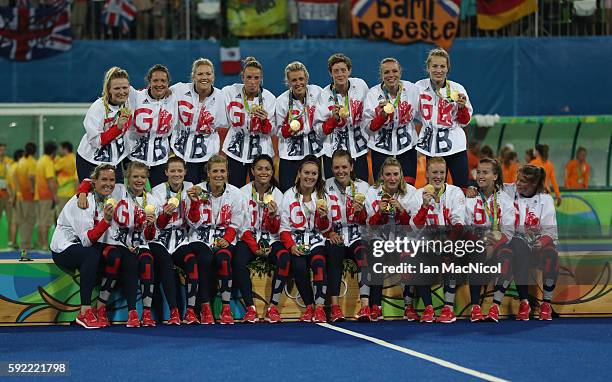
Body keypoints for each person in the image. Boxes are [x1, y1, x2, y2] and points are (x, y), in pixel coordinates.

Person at [76, 162, 160, 327]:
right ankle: (107, 308)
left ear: (147, 179)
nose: (139, 180)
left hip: (138, 244)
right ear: (128, 177)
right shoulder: (118, 190)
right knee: (121, 258)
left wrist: (151, 225)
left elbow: (150, 236)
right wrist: (82, 193)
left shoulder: (151, 200)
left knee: (145, 262)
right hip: (114, 241)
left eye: (143, 177)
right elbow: (92, 179)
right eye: (135, 176)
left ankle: (145, 313)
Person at [51, 164, 116, 329]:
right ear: (95, 181)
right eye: (104, 179)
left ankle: (101, 308)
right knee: (91, 255)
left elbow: (88, 179)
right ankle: (84, 311)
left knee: (116, 255)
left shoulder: (105, 197)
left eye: (112, 180)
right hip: (65, 248)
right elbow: (87, 241)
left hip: (85, 246)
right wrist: (106, 221)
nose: (108, 183)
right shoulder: (84, 201)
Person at [187, 155, 245, 324]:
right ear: (208, 173)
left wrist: (227, 239)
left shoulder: (235, 194)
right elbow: (192, 223)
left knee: (224, 259)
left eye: (222, 171)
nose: (219, 175)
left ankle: (225, 308)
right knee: (205, 258)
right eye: (215, 171)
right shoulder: (196, 190)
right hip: (200, 236)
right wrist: (195, 203)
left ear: (227, 173)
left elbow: (237, 222)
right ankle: (205, 307)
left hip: (224, 237)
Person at [234, 154, 290, 323]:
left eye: (267, 169)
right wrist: (254, 247)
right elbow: (240, 225)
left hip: (272, 240)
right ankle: (250, 308)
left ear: (273, 172)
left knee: (285, 259)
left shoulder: (279, 195)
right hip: (249, 239)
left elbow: (280, 228)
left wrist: (272, 217)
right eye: (259, 169)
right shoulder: (242, 193)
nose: (263, 172)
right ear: (252, 171)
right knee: (237, 261)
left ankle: (273, 307)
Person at [410, 157, 466, 323]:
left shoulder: (455, 192)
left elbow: (459, 224)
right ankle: (428, 308)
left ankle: (448, 309)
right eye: (434, 172)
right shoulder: (417, 194)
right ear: (427, 173)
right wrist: (424, 206)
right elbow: (415, 227)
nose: (438, 176)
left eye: (442, 172)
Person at [280, 155, 333, 323]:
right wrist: (291, 246)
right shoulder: (289, 195)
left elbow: (326, 230)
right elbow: (284, 227)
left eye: (314, 173)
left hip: (317, 241)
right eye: (306, 173)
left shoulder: (323, 197)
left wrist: (323, 218)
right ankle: (309, 305)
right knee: (298, 265)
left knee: (319, 263)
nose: (310, 177)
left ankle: (319, 308)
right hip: (297, 242)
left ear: (318, 176)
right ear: (299, 173)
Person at [363, 157, 417, 321]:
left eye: (395, 174)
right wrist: (380, 213)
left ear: (401, 175)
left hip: (403, 239)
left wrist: (401, 211)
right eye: (388, 175)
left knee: (410, 254)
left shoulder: (412, 192)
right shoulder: (372, 192)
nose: (392, 178)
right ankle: (376, 306)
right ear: (382, 177)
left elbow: (413, 227)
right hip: (381, 239)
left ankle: (408, 306)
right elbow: (369, 227)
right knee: (375, 251)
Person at [503, 165, 559, 321]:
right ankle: (524, 302)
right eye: (517, 179)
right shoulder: (509, 191)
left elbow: (551, 232)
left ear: (534, 184)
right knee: (517, 246)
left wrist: (541, 242)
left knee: (551, 255)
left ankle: (546, 303)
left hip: (537, 245)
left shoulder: (545, 200)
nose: (517, 183)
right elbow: (490, 184)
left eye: (523, 181)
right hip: (518, 245)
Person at [464, 158, 516, 322]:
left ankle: (495, 306)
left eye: (485, 172)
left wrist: (493, 246)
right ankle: (475, 307)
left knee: (508, 254)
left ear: (495, 176)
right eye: (478, 172)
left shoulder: (505, 200)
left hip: (497, 246)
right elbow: (464, 226)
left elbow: (509, 231)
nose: (480, 176)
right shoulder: (470, 197)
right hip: (475, 245)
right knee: (477, 250)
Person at [149, 156, 199, 324]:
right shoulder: (157, 191)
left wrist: (195, 205)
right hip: (160, 239)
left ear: (185, 172)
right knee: (166, 264)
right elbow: (158, 225)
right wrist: (165, 215)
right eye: (172, 171)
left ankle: (191, 311)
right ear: (166, 173)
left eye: (179, 170)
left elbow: (194, 221)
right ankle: (174, 312)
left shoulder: (191, 188)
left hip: (180, 239)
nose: (176, 174)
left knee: (191, 261)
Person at [415, 48, 473, 191]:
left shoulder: (457, 88)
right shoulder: (418, 87)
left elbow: (465, 121)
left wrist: (461, 108)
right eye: (434, 66)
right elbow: (411, 114)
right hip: (431, 146)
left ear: (448, 68)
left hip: (455, 145)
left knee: (462, 187)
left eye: (442, 66)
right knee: (434, 188)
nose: (438, 70)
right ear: (428, 67)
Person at [325, 149, 371, 321]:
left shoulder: (363, 187)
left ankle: (365, 307)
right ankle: (335, 308)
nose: (340, 171)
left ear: (351, 166)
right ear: (331, 168)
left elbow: (369, 220)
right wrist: (329, 232)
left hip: (357, 234)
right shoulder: (324, 186)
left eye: (344, 167)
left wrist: (362, 212)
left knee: (363, 254)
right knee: (334, 255)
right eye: (336, 167)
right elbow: (319, 218)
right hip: (335, 235)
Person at [363, 58, 421, 185]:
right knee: (382, 188)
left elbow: (424, 117)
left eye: (394, 71)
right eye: (386, 72)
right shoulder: (373, 94)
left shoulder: (411, 90)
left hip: (407, 146)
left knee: (408, 188)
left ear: (400, 73)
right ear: (381, 75)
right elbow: (368, 127)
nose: (391, 75)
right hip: (380, 148)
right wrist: (382, 117)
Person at [170, 58, 228, 184]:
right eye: (200, 74)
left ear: (213, 77)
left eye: (208, 74)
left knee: (203, 193)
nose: (204, 77)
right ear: (193, 76)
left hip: (207, 155)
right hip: (179, 152)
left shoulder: (221, 97)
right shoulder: (178, 90)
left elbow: (226, 124)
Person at [222, 57, 276, 187]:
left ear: (261, 78)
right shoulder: (229, 92)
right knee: (234, 188)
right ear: (242, 78)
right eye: (249, 77)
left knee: (260, 188)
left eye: (256, 78)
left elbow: (272, 131)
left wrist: (264, 121)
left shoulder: (269, 98)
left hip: (260, 150)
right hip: (234, 149)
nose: (252, 82)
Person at [314, 53, 369, 181]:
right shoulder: (323, 96)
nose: (340, 74)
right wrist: (332, 120)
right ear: (330, 73)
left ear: (349, 71)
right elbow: (319, 131)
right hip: (333, 152)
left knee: (361, 188)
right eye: (336, 71)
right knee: (333, 193)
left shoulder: (361, 86)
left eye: (343, 70)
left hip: (358, 150)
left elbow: (368, 114)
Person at [77, 66, 135, 183]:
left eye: (125, 88)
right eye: (117, 88)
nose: (122, 92)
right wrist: (117, 128)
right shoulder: (97, 108)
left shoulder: (131, 99)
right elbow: (96, 142)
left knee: (118, 196)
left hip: (114, 159)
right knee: (92, 198)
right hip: (91, 160)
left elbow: (148, 93)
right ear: (108, 89)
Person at [276, 61, 324, 191]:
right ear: (288, 82)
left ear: (307, 78)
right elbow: (278, 131)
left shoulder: (318, 92)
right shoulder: (281, 101)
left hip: (315, 151)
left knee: (317, 190)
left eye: (301, 79)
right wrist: (287, 130)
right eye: (294, 80)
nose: (298, 83)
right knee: (288, 191)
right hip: (290, 154)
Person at [128, 64, 178, 187]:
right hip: (135, 157)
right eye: (155, 80)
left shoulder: (173, 98)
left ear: (168, 83)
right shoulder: (136, 97)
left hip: (160, 159)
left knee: (160, 198)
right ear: (149, 81)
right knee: (134, 197)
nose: (159, 84)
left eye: (163, 81)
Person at [35, 141, 58, 251]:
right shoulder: (48, 162)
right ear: (53, 151)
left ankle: (40, 243)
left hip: (39, 195)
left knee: (41, 221)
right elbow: (50, 180)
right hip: (46, 196)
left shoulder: (40, 160)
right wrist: (54, 195)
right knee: (46, 221)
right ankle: (44, 245)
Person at [15, 142, 37, 250]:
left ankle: (23, 244)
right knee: (29, 220)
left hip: (20, 195)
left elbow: (15, 177)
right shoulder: (31, 162)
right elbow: (32, 177)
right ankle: (26, 245)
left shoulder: (21, 161)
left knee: (23, 220)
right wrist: (33, 189)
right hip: (28, 196)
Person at [54, 142, 78, 216]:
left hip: (62, 193)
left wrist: (56, 159)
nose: (59, 151)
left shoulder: (64, 160)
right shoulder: (75, 158)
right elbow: (76, 178)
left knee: (61, 216)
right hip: (72, 193)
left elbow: (53, 169)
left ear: (65, 149)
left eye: (60, 149)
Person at [7, 149, 23, 248]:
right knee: (22, 221)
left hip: (13, 196)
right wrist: (14, 196)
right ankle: (23, 242)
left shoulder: (11, 168)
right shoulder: (19, 167)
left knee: (14, 220)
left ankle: (12, 242)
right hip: (20, 197)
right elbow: (19, 184)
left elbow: (8, 185)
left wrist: (11, 197)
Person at [0, 143, 13, 242]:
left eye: (3, 150)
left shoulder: (9, 161)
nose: (2, 152)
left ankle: (10, 241)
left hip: (8, 194)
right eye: (0, 150)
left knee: (10, 219)